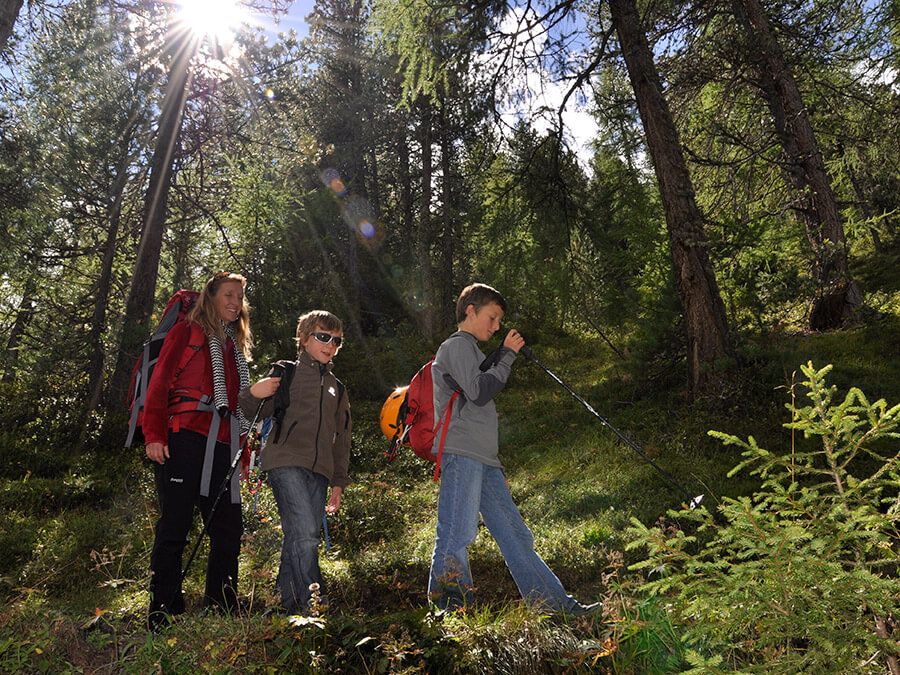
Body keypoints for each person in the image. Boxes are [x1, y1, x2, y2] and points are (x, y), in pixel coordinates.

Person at [428, 283, 597, 615]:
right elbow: (478, 392)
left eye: (499, 320)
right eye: (491, 318)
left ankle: (555, 607)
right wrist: (506, 356)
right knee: (456, 534)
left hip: (484, 459)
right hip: (462, 454)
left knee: (515, 534)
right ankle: (448, 616)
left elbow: (477, 392)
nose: (495, 327)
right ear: (470, 311)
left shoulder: (474, 351)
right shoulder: (457, 346)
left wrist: (499, 358)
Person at [144, 272, 254, 631]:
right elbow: (159, 385)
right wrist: (154, 434)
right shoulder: (186, 333)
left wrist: (244, 455)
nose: (235, 302)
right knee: (175, 524)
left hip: (223, 445)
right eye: (229, 295)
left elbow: (238, 406)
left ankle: (221, 607)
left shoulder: (234, 349)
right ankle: (162, 610)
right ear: (211, 297)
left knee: (228, 528)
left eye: (240, 297)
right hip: (183, 438)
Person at [239, 310, 351, 616]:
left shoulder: (337, 389)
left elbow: (342, 439)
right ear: (303, 339)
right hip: (284, 461)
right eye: (323, 336)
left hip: (320, 472)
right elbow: (250, 412)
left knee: (298, 536)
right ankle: (317, 603)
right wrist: (252, 393)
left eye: (337, 341)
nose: (330, 345)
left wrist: (339, 481)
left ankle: (281, 606)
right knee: (304, 532)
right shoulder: (286, 372)